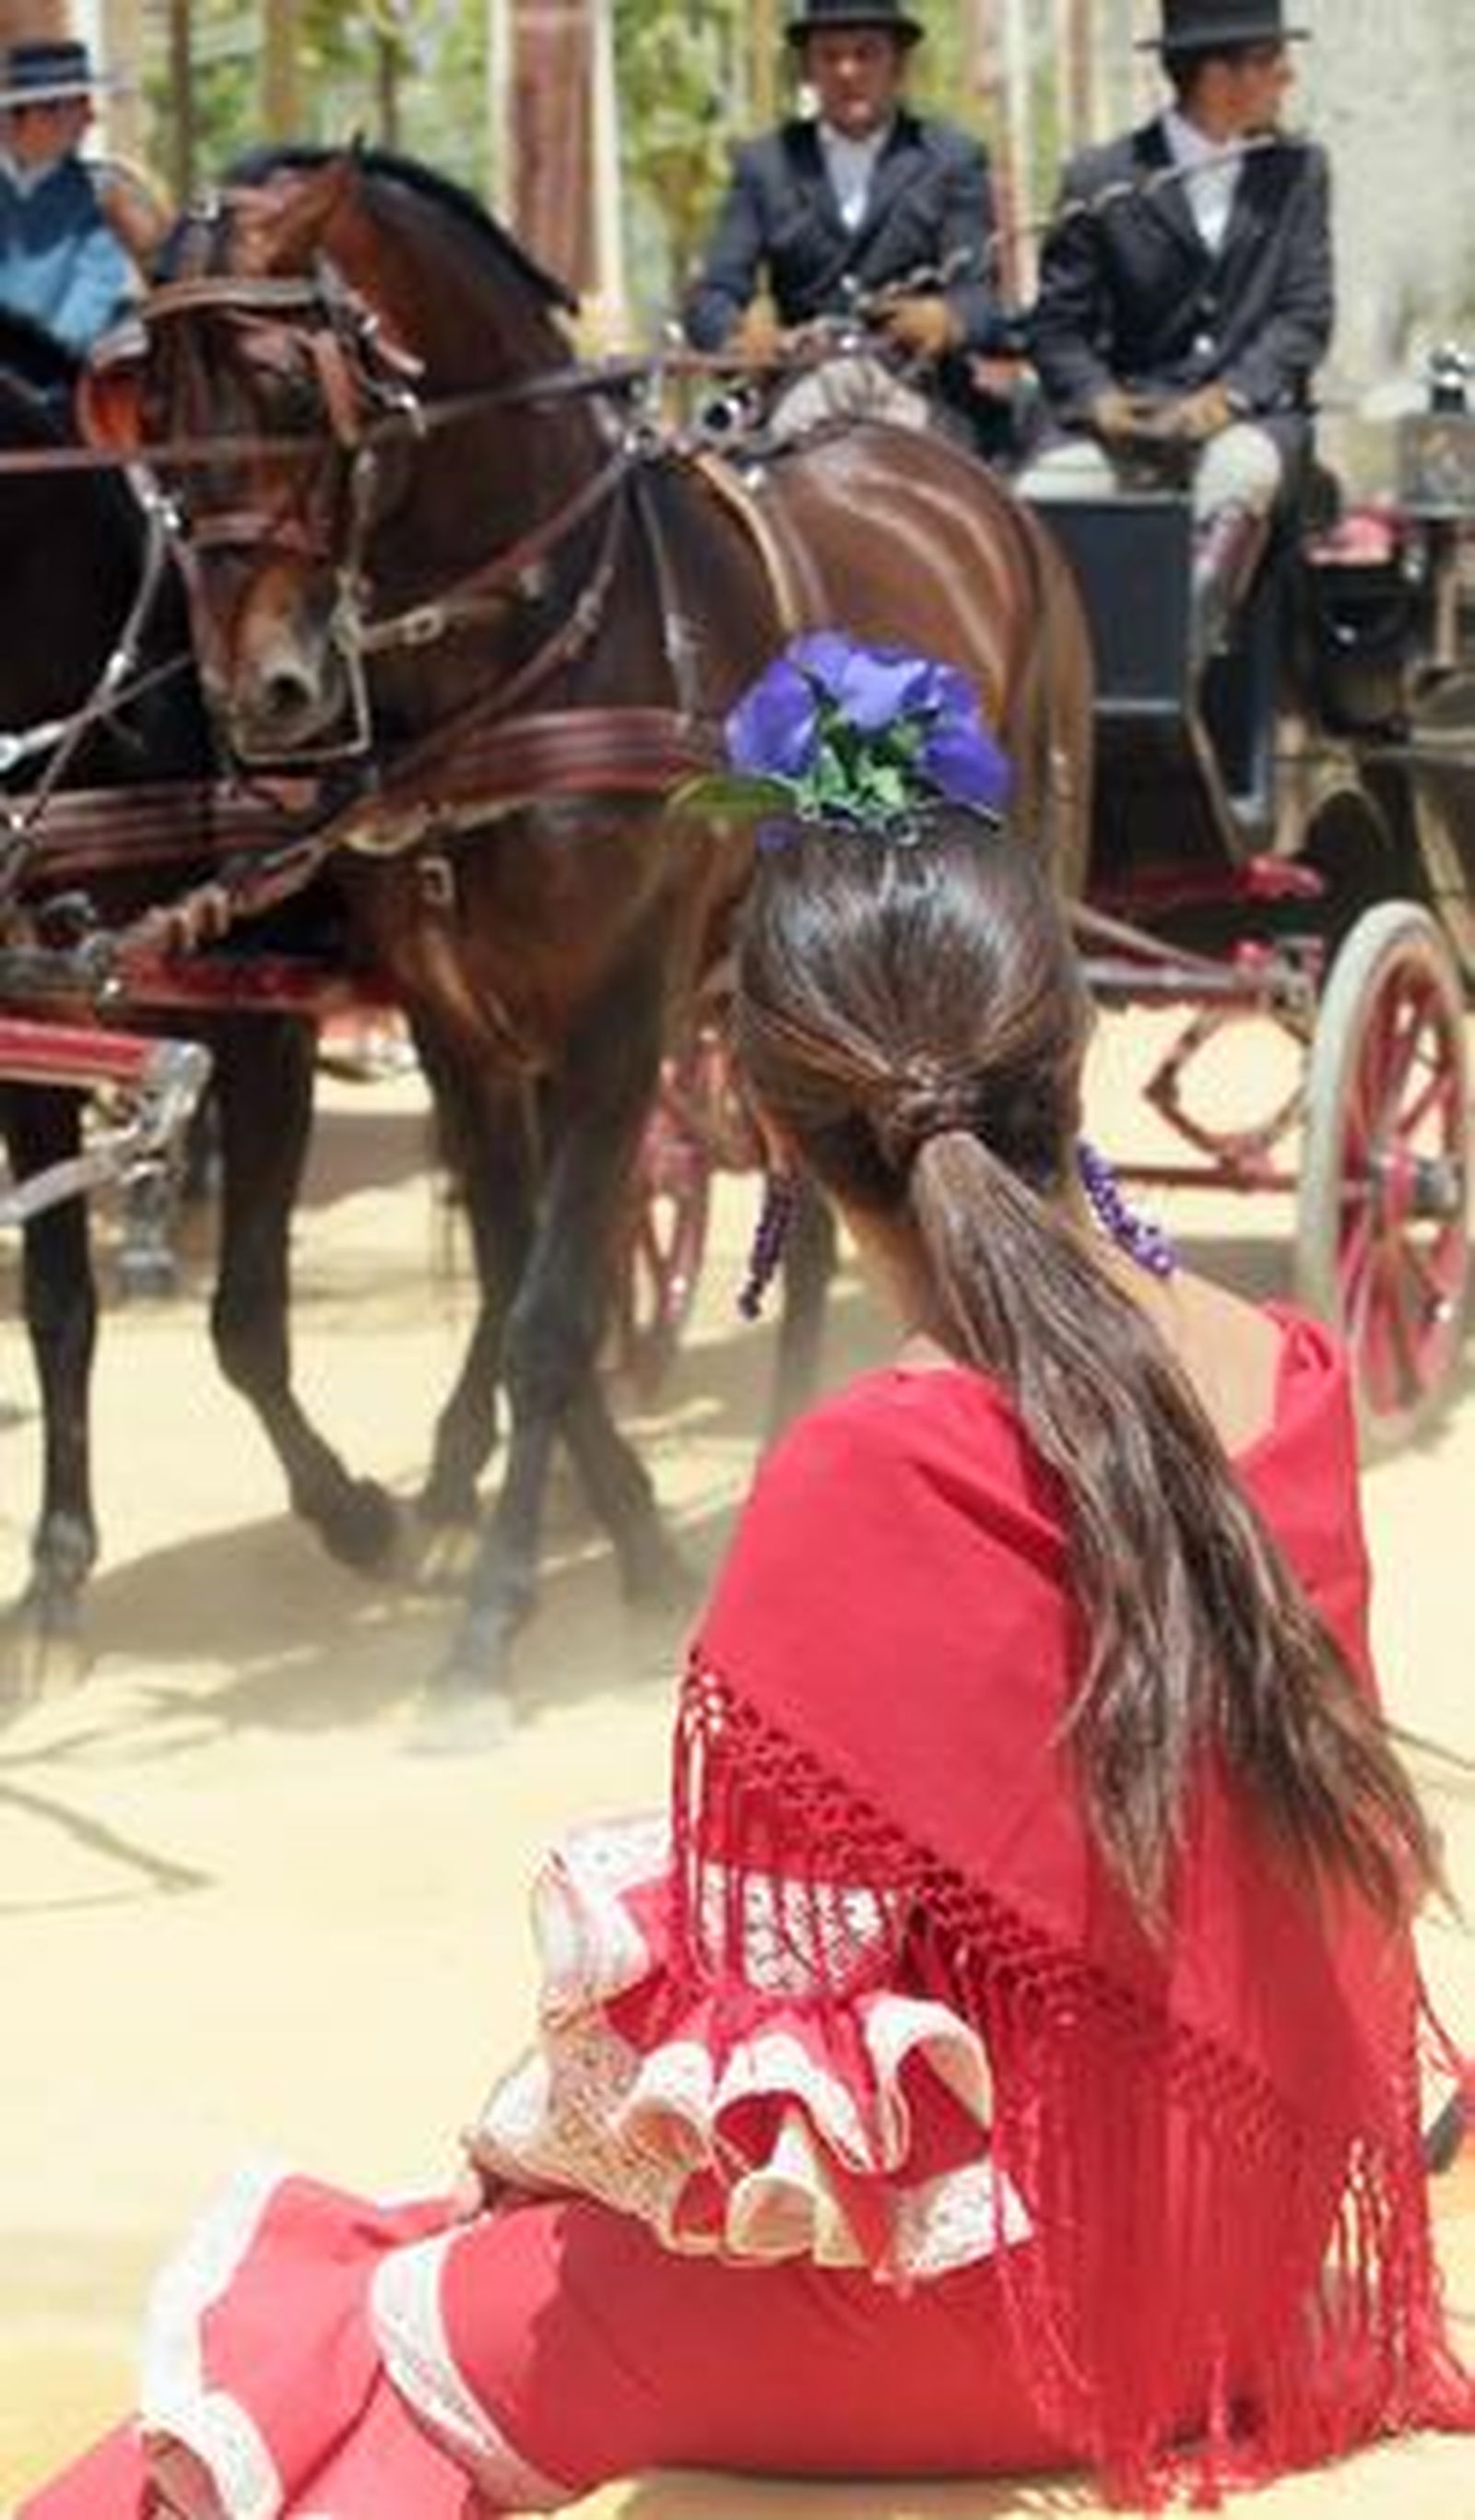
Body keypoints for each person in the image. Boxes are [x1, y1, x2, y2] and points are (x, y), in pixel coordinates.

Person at [18, 633, 1472, 2520]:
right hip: (1253, 2260)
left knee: (355, 2326)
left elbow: (767, 2017)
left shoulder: (870, 1468)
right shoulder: (1287, 1376)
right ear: (1069, 1053)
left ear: (766, 1125)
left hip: (1022, 2313)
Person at [1021, 0, 1333, 662]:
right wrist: (1099, 400)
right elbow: (1056, 328)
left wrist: (1230, 396)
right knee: (1041, 498)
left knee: (1238, 477)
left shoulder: (1297, 171)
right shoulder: (1102, 179)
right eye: (1272, 61)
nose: (1288, 76)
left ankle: (1173, 663)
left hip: (1247, 420)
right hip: (1129, 422)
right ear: (1218, 77)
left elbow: (1304, 315)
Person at [683, 0, 1015, 449]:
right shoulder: (764, 164)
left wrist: (947, 319)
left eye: (866, 54)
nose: (847, 71)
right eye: (829, 56)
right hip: (799, 391)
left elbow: (981, 298)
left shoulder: (952, 159)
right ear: (808, 70)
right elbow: (714, 292)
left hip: (923, 393)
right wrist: (737, 336)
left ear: (898, 65)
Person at [0, 36, 148, 361]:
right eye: (78, 105)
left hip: (52, 369)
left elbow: (94, 288)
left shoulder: (102, 193)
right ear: (35, 115)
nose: (91, 120)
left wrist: (42, 359)